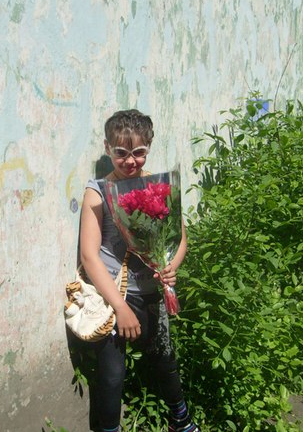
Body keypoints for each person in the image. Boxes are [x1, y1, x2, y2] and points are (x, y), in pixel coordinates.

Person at [79, 109, 198, 432]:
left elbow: (179, 238)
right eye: (121, 152)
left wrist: (171, 266)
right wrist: (120, 308)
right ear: (108, 148)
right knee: (112, 375)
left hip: (150, 293)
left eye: (139, 152)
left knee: (165, 359)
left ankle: (181, 421)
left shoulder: (157, 186)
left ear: (149, 147)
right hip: (113, 297)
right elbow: (89, 256)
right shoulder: (97, 191)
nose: (130, 161)